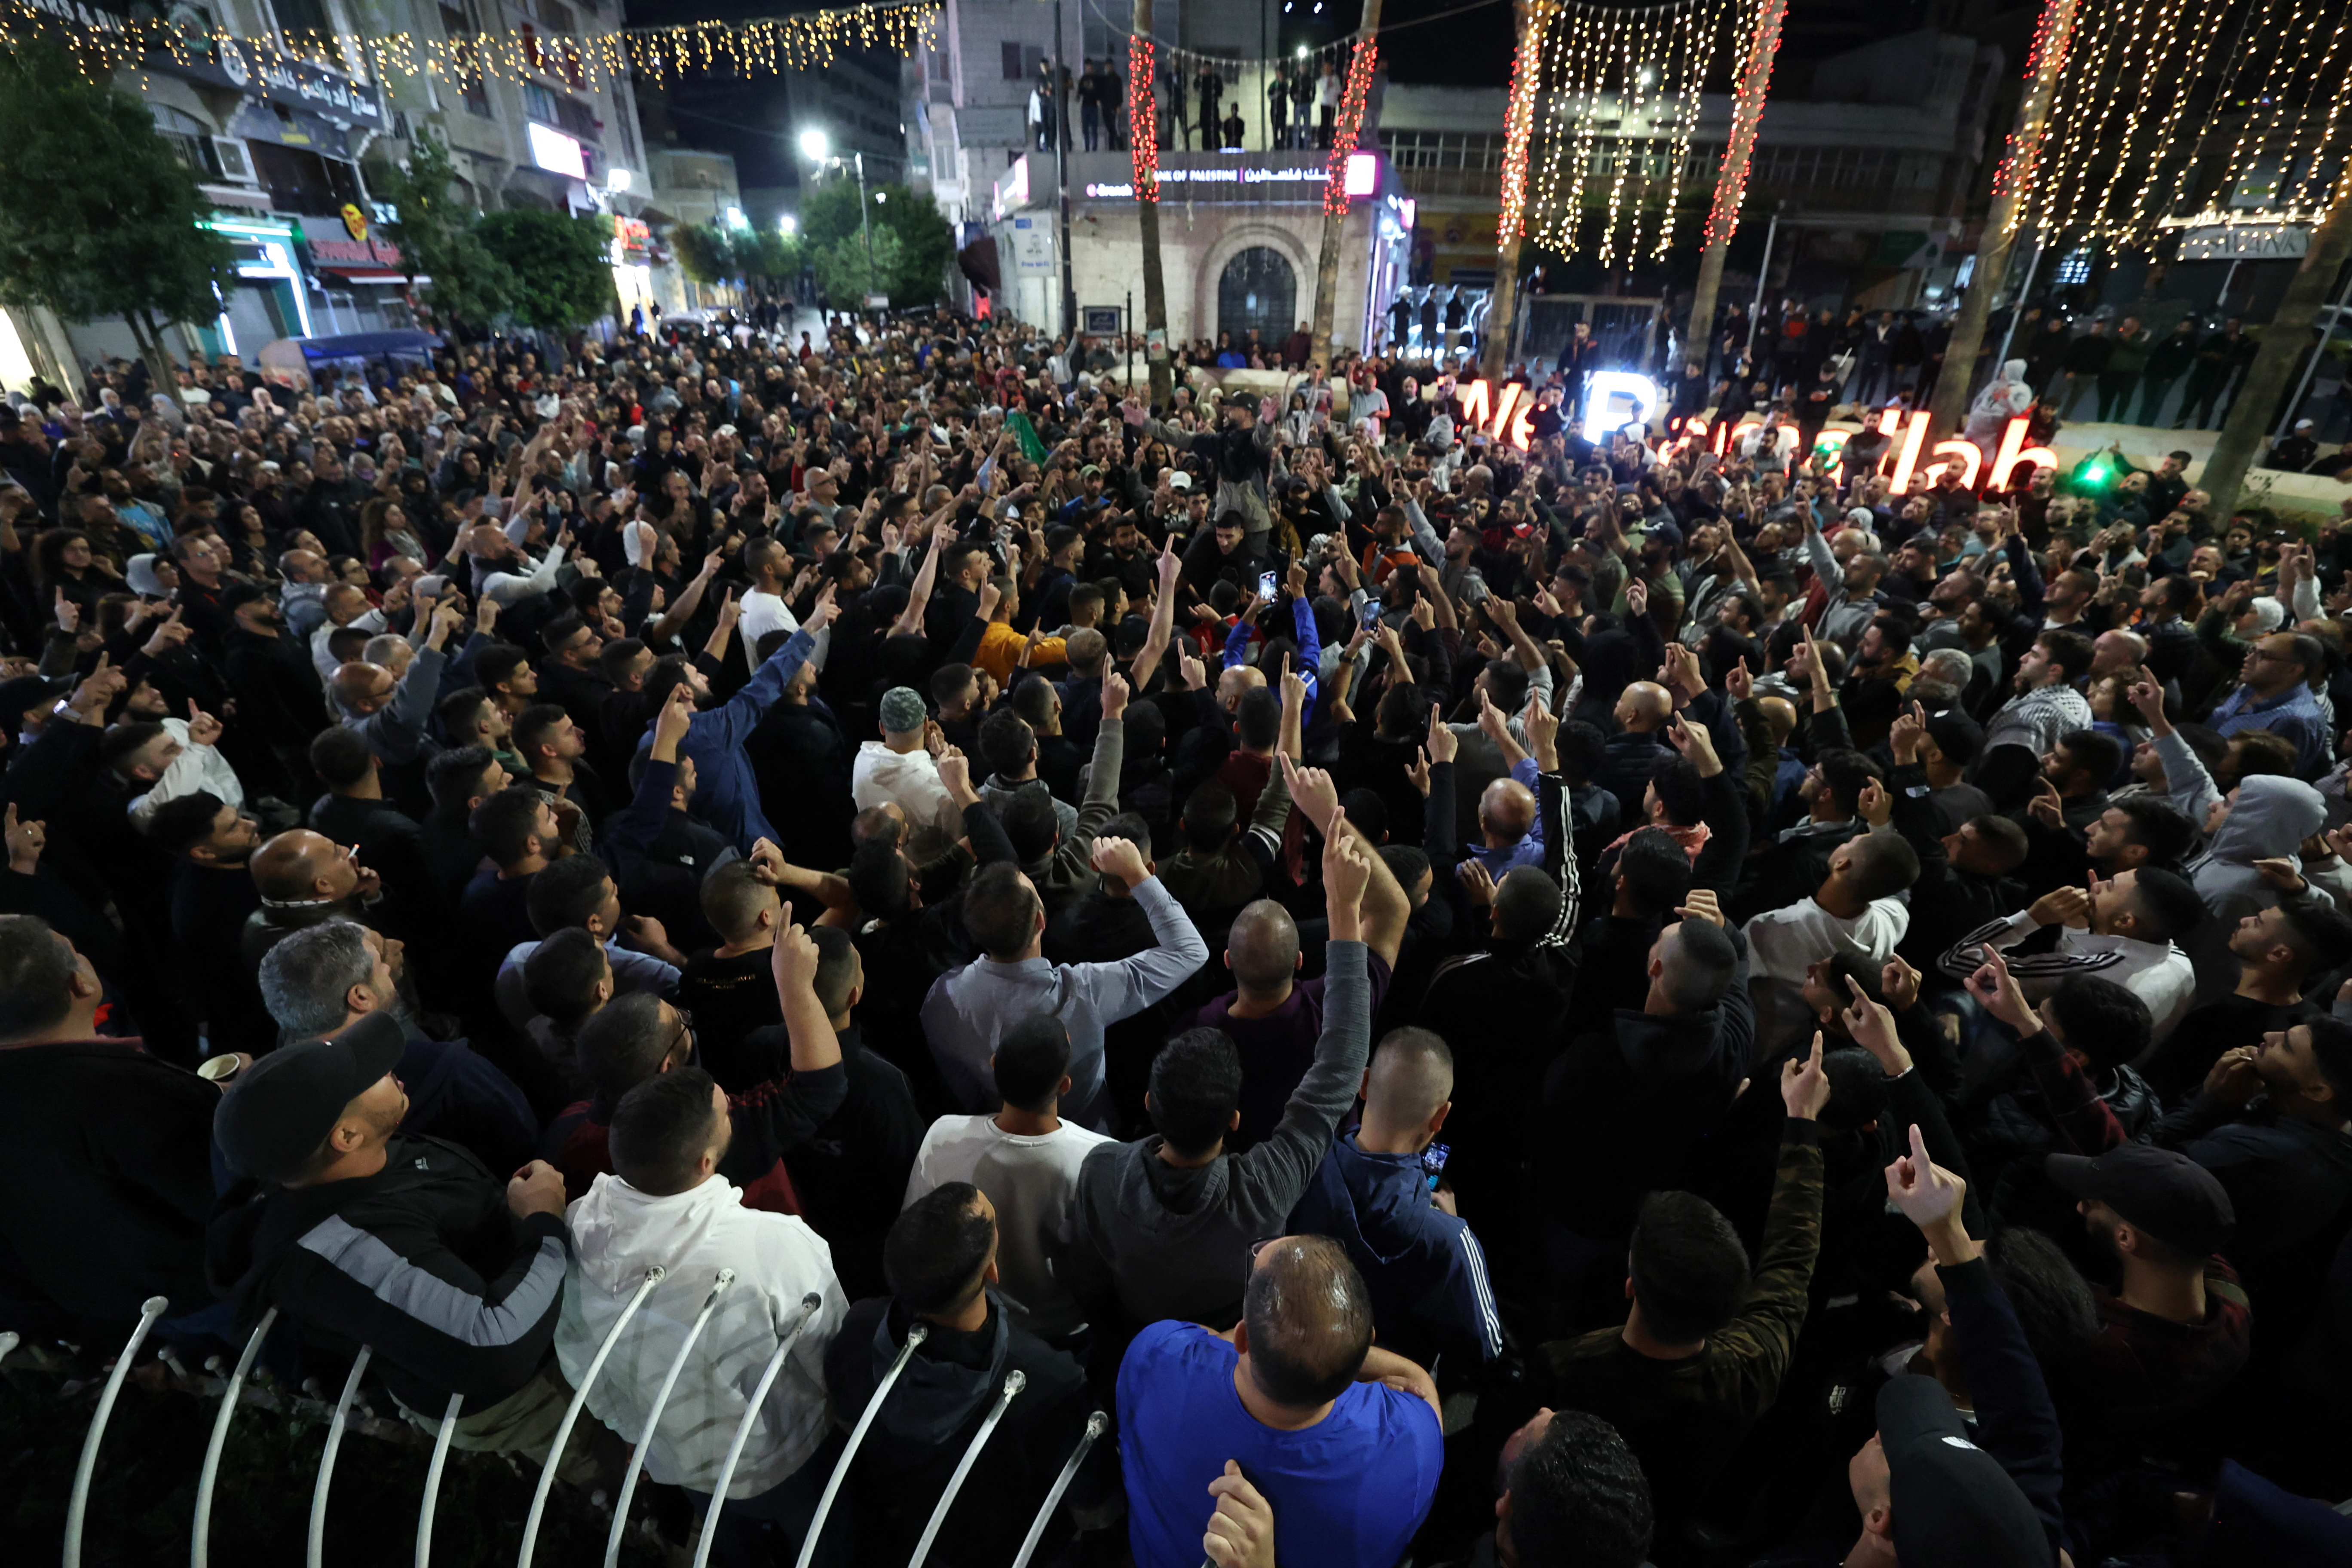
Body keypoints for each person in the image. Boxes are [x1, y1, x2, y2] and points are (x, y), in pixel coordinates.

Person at [208, 1012, 579, 1456]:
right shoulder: (344, 1247)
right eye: (374, 1073)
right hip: (529, 1399)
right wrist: (543, 1222)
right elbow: (494, 1344)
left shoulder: (349, 1156)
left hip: (552, 1329)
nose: (392, 1069)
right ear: (347, 1136)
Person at [1067, 818, 1375, 1329]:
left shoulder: (1100, 1172)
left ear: (1149, 1104)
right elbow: (1341, 1064)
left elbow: (1087, 1275)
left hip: (1135, 1329)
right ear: (1234, 1122)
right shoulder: (1264, 1191)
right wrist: (1344, 909)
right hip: (1234, 1332)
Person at [1538, 1037, 1829, 1549]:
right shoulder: (1751, 1366)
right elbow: (1793, 1255)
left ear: (1630, 1287)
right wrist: (1801, 1121)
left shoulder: (1563, 1372)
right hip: (1661, 1531)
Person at [556, 1063, 849, 1565]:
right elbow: (834, 1361)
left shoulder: (574, 1235)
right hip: (796, 1459)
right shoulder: (773, 1246)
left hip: (685, 1469)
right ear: (706, 1163)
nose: (735, 1106)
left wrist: (649, 1442)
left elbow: (585, 1369)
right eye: (726, 1111)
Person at [1116, 1234, 1444, 1568]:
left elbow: (1207, 1339)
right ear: (1367, 1344)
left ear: (1244, 1337)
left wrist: (1267, 1345)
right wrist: (1334, 1355)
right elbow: (1420, 1386)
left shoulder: (1155, 1357)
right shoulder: (1411, 1446)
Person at [821, 1183, 1104, 1568]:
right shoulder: (1051, 1381)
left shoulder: (857, 1333)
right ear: (992, 1270)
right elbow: (1092, 1503)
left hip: (911, 1526)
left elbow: (849, 1426)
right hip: (1010, 1546)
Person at [0, 914, 224, 1338]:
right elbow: (224, 1198)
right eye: (75, 952)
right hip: (194, 1294)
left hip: (98, 1310)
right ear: (81, 985)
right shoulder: (131, 1091)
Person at [922, 835, 1207, 1128]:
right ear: (1040, 922)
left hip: (999, 1129)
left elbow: (962, 1089)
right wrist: (1137, 874)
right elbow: (1190, 950)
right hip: (1091, 1131)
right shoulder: (1085, 991)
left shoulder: (942, 998)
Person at [1285, 1026, 1504, 1369]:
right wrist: (1451, 1223)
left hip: (1297, 1353)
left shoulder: (1297, 1165)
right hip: (1387, 1386)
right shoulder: (1451, 1241)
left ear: (1365, 1082)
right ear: (1441, 1116)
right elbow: (1487, 1350)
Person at [901, 1012, 1113, 1339]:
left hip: (972, 1323)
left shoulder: (943, 1137)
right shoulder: (1102, 1159)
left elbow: (916, 1235)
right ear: (1065, 1085)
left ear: (994, 1064)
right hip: (1061, 1331)